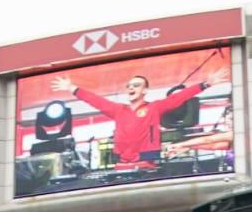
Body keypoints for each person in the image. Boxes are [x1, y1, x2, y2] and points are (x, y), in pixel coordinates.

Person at [50, 70, 211, 170]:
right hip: (122, 166)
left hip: (147, 166)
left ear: (145, 90)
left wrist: (205, 84)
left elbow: (179, 97)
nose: (131, 88)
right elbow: (95, 100)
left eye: (136, 85)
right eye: (129, 86)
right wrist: (73, 88)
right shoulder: (118, 110)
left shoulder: (153, 108)